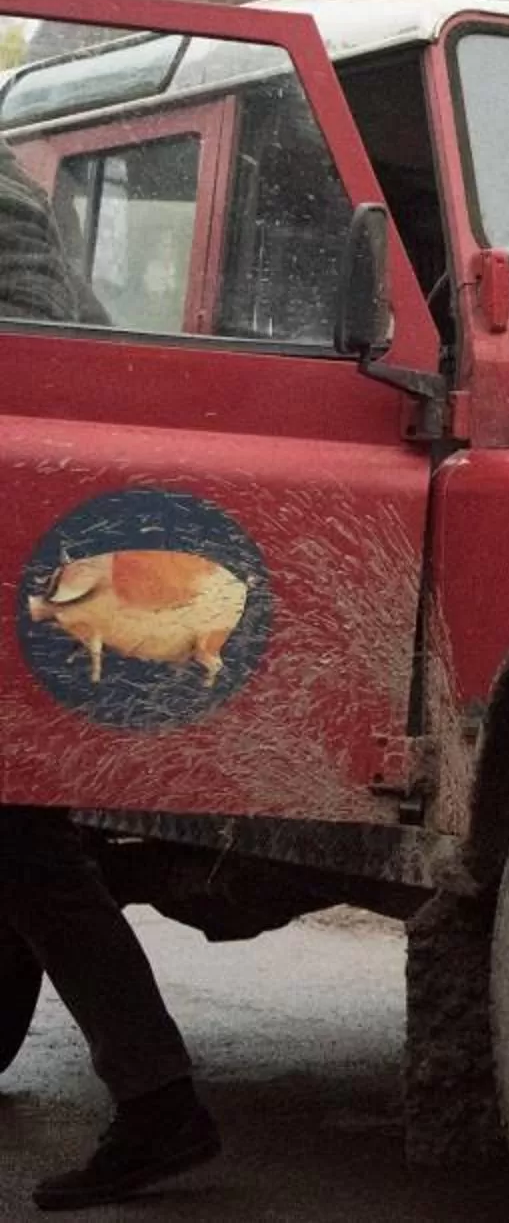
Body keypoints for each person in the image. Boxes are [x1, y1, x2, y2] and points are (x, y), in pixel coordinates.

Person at [0, 145, 222, 1210]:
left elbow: (46, 358)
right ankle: (157, 1101)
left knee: (27, 849)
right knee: (26, 849)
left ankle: (159, 1102)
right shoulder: (21, 205)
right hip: (41, 551)